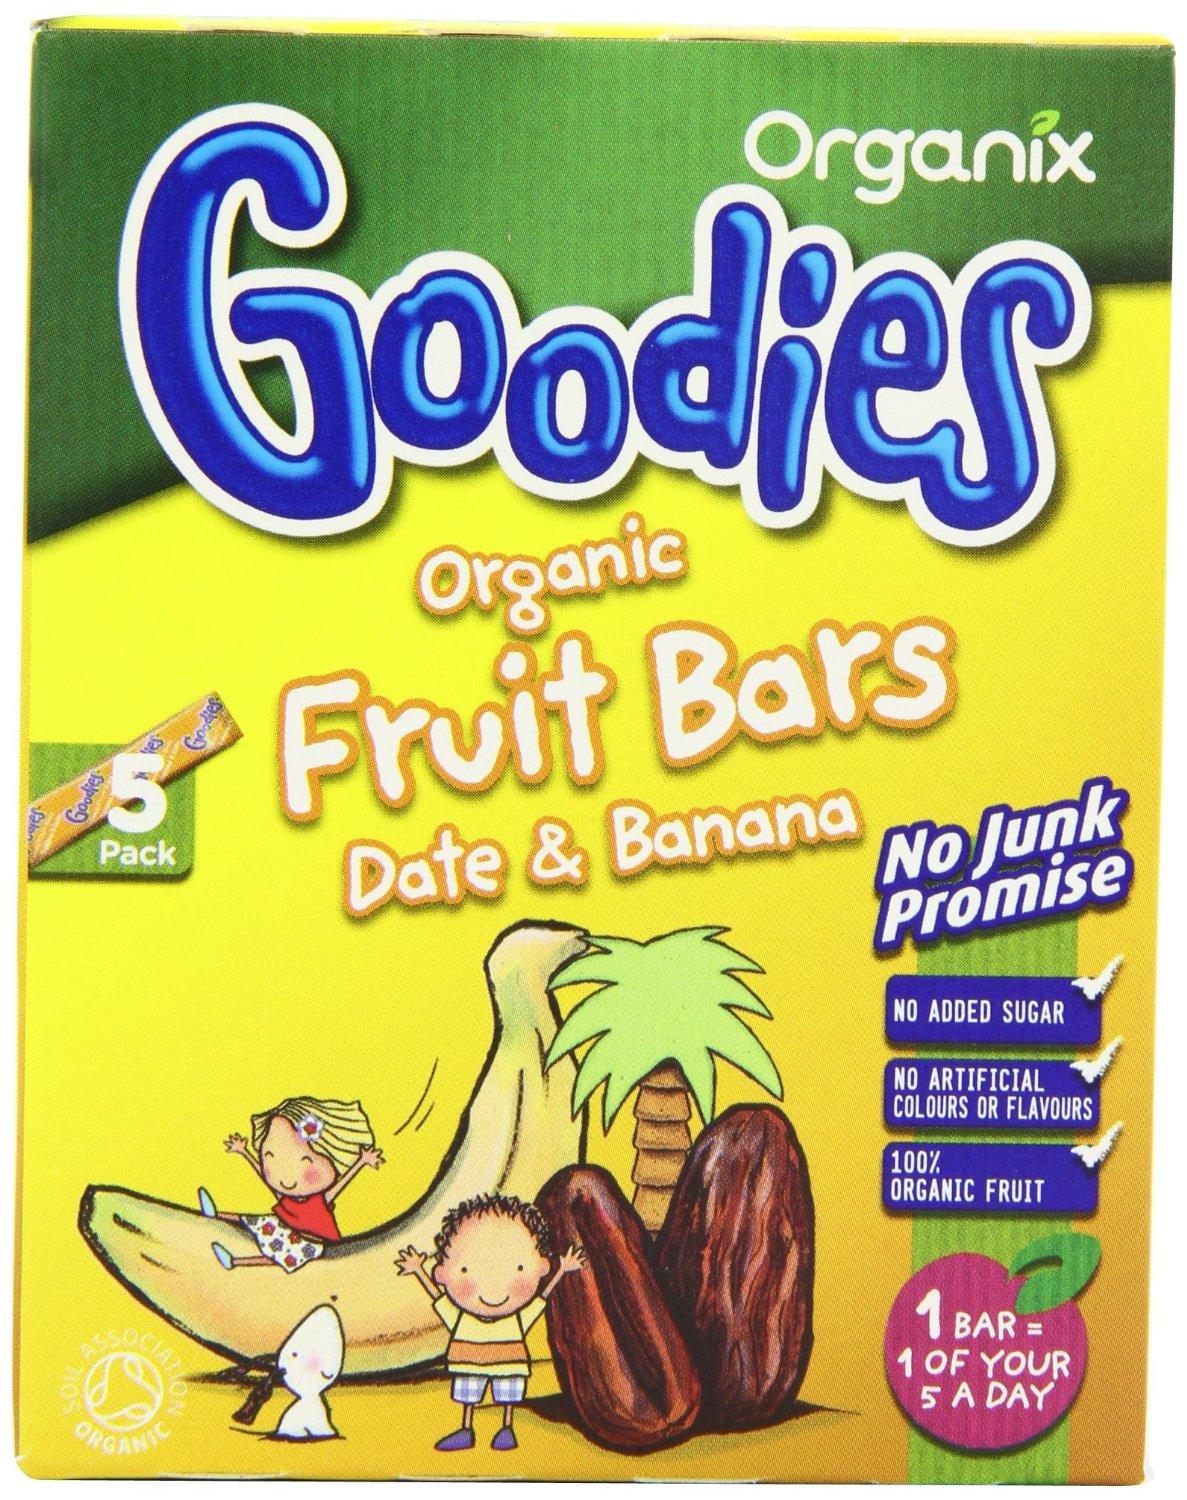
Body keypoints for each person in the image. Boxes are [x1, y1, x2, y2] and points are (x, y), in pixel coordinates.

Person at [396, 1194, 585, 1451]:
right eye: (465, 1270)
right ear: (442, 1273)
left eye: (519, 1268)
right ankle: (466, 1428)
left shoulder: (515, 1320)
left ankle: (506, 1427)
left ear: (541, 1267)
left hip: (509, 1364)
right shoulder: (462, 1320)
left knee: (507, 1394)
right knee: (469, 1394)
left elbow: (542, 1298)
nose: (493, 1287)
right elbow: (438, 1299)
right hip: (468, 1363)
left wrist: (562, 1270)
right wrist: (419, 1270)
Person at [200, 1096, 383, 1271]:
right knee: (257, 1220)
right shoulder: (288, 1198)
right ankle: (215, 1214)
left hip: (310, 1242)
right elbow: (263, 1177)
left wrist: (361, 1161)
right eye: (270, 1157)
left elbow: (342, 1184)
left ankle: (235, 1261)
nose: (287, 1180)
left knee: (282, 1256)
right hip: (285, 1228)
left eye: (306, 1162)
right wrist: (244, 1152)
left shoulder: (320, 1200)